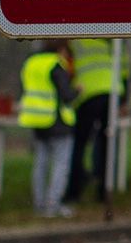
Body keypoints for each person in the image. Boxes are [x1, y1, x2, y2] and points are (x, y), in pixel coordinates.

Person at [19, 39, 78, 217]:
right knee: (60, 164)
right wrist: (78, 90)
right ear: (61, 49)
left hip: (37, 120)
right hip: (56, 120)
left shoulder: (30, 62)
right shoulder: (56, 65)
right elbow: (66, 95)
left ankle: (39, 203)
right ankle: (53, 205)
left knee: (41, 164)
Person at [64, 36, 123, 205]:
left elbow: (68, 70)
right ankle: (104, 190)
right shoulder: (105, 42)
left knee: (79, 143)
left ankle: (74, 192)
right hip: (111, 91)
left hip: (88, 93)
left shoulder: (74, 42)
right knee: (107, 142)